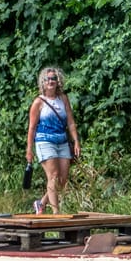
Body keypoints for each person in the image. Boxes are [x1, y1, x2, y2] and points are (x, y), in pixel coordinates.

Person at [26, 67, 81, 214]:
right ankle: (56, 214)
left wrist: (76, 141)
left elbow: (70, 121)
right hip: (44, 141)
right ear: (43, 82)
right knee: (54, 176)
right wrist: (29, 150)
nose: (51, 81)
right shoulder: (38, 102)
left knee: (62, 181)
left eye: (53, 78)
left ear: (58, 81)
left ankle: (41, 203)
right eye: (47, 79)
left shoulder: (63, 98)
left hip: (62, 141)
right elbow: (31, 128)